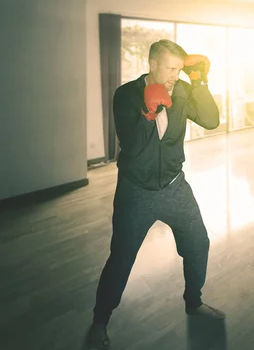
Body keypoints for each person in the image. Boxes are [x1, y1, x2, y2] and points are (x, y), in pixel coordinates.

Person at [87, 39, 224, 349]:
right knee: (121, 259)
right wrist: (148, 113)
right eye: (171, 69)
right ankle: (100, 321)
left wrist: (200, 81)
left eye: (181, 69)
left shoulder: (183, 91)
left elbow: (212, 121)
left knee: (198, 243)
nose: (176, 75)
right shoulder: (126, 95)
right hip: (136, 191)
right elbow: (132, 146)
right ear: (152, 65)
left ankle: (194, 302)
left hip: (176, 186)